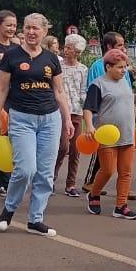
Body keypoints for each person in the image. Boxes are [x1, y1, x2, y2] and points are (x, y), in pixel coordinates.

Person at [0, 13, 73, 235]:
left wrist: (66, 118)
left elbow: (59, 90)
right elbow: (2, 88)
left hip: (50, 119)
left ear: (45, 31)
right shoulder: (11, 56)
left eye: (36, 28)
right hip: (22, 117)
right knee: (26, 169)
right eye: (27, 28)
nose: (31, 32)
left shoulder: (51, 59)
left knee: (45, 173)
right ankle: (9, 208)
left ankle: (35, 219)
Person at [83, 48, 136, 219]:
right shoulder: (98, 84)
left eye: (125, 67)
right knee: (107, 170)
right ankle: (94, 194)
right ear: (108, 67)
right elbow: (88, 108)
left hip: (127, 133)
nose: (124, 71)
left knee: (126, 172)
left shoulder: (125, 81)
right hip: (107, 135)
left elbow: (127, 99)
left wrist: (135, 110)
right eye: (120, 67)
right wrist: (90, 126)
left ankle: (121, 206)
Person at [0, 9, 19, 196]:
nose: (12, 29)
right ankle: (0, 182)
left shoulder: (16, 49)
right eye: (8, 25)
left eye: (14, 25)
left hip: (16, 97)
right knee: (3, 137)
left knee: (14, 138)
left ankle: (4, 181)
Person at [54, 32, 89, 197]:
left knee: (76, 149)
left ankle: (71, 184)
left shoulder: (83, 69)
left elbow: (83, 91)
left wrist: (87, 108)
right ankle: (50, 179)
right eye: (65, 46)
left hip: (77, 112)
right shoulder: (58, 66)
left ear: (77, 52)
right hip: (60, 111)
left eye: (69, 48)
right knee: (63, 147)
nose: (65, 50)